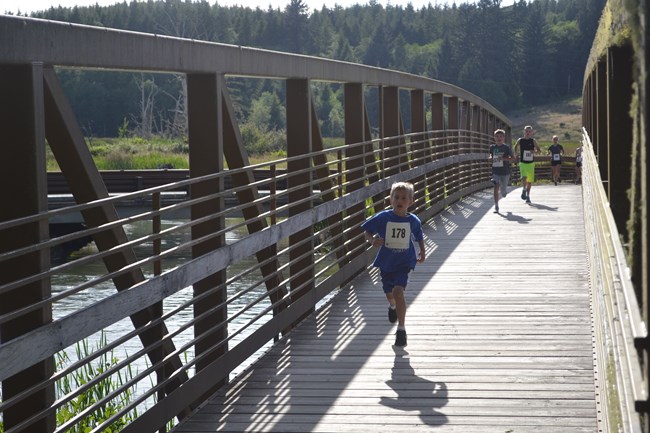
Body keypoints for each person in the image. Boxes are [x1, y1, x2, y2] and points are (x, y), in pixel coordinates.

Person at [361, 182, 426, 347]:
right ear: (391, 200)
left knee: (398, 292)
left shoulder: (413, 221)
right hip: (386, 262)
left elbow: (419, 236)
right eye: (396, 197)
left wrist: (422, 252)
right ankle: (392, 306)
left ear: (410, 201)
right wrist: (373, 240)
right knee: (389, 293)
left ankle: (401, 330)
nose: (400, 200)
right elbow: (367, 232)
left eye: (404, 198)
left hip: (405, 262)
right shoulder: (383, 218)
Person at [488, 128, 515, 213]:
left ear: (504, 138)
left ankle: (504, 191)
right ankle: (496, 205)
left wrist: (503, 159)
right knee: (496, 186)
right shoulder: (492, 147)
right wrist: (490, 158)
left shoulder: (506, 148)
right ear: (494, 138)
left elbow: (512, 158)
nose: (499, 138)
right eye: (497, 136)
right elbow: (490, 155)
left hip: (505, 172)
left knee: (503, 192)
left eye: (501, 136)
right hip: (495, 170)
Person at [513, 125, 541, 203]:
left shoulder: (533, 141)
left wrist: (534, 151)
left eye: (529, 131)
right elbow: (515, 147)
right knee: (524, 176)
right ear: (523, 132)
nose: (527, 133)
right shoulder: (520, 140)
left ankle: (528, 196)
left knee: (529, 181)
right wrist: (515, 153)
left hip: (531, 163)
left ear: (532, 133)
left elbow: (539, 151)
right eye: (526, 131)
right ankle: (524, 189)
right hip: (522, 162)